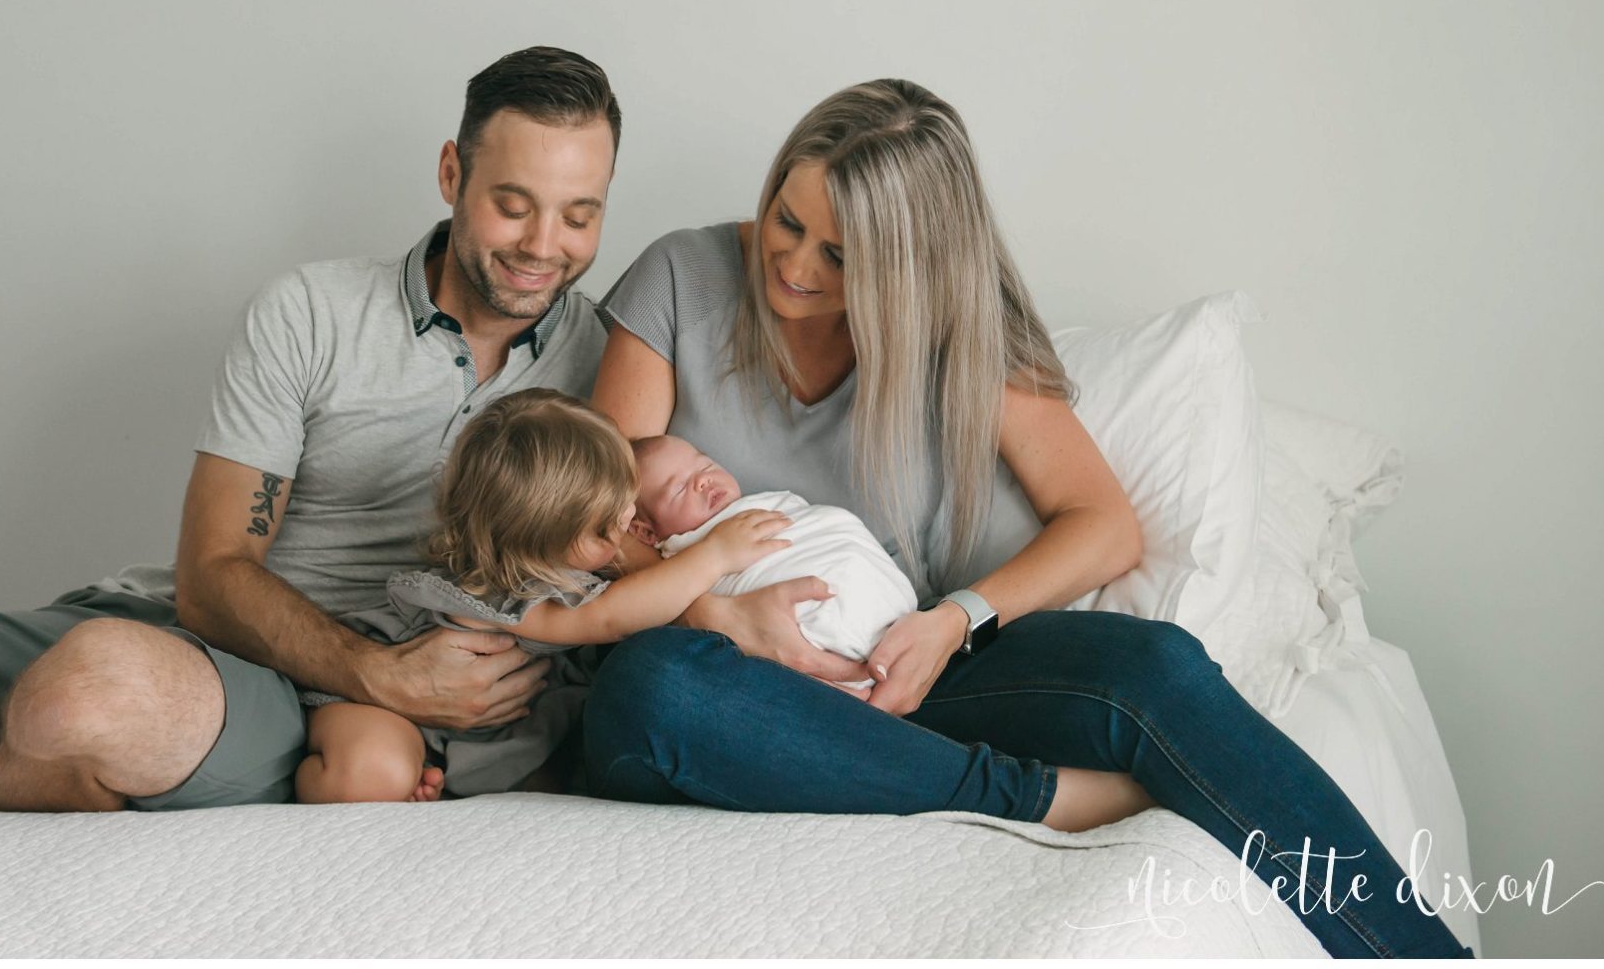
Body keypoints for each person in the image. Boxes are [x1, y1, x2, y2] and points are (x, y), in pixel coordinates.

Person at [580, 78, 1473, 958]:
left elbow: (1101, 524)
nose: (794, 265)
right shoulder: (681, 279)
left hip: (910, 675)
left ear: (909, 268)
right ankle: (1019, 797)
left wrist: (951, 623)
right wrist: (717, 615)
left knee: (1155, 667)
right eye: (787, 219)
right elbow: (593, 532)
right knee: (655, 686)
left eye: (842, 256)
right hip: (739, 688)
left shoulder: (957, 332)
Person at [0, 47, 615, 813]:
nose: (544, 247)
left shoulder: (607, 365)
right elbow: (211, 576)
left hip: (304, 717)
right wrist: (379, 673)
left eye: (579, 215)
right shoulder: (312, 310)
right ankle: (35, 766)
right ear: (453, 174)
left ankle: (38, 768)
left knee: (85, 697)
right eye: (513, 203)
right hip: (209, 639)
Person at [293, 388, 794, 805]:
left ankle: (424, 776)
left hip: (490, 731)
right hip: (384, 703)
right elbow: (606, 619)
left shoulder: (561, 558)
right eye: (605, 526)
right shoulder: (509, 591)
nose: (626, 522)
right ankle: (321, 772)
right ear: (539, 543)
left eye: (626, 499)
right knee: (369, 775)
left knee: (550, 786)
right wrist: (713, 556)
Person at [629, 432, 918, 685]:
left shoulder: (770, 505)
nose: (703, 480)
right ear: (646, 534)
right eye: (679, 488)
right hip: (809, 635)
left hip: (895, 612)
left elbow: (824, 527)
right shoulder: (677, 560)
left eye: (706, 465)